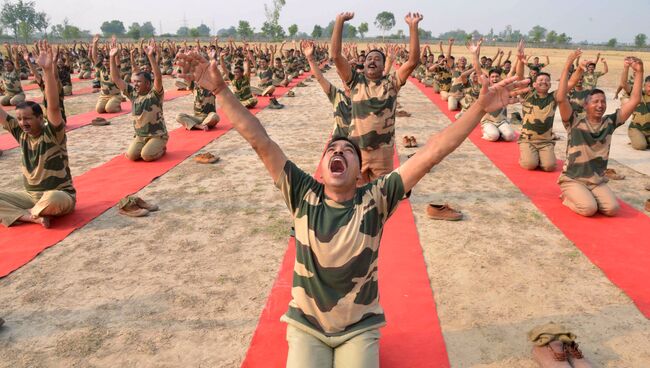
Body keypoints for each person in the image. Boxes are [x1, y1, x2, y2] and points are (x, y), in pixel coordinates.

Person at [176, 43, 528, 367]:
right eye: (333, 149)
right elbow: (258, 137)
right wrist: (221, 91)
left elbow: (434, 151)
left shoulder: (375, 199)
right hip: (307, 324)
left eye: (348, 151)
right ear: (324, 164)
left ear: (361, 172)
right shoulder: (303, 193)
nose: (339, 152)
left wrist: (480, 107)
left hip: (359, 326)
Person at [331, 12, 422, 184]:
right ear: (363, 65)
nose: (372, 61)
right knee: (355, 197)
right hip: (356, 151)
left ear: (383, 65)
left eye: (377, 59)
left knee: (381, 199)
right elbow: (335, 55)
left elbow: (413, 61)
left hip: (383, 154)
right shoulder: (355, 81)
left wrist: (413, 27)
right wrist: (339, 22)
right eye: (369, 59)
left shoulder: (392, 83)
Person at [556, 51, 644, 217]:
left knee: (612, 209)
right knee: (589, 209)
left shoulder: (609, 123)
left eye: (603, 102)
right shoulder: (574, 121)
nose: (600, 105)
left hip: (596, 180)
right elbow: (561, 98)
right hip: (573, 178)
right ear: (586, 105)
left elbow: (634, 101)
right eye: (595, 101)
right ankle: (567, 196)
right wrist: (568, 64)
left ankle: (584, 196)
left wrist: (639, 72)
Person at [0, 40, 75, 228]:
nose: (23, 123)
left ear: (41, 119)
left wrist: (48, 71)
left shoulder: (52, 133)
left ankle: (28, 214)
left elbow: (54, 106)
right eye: (19, 119)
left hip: (59, 195)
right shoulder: (21, 133)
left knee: (53, 198)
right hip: (30, 197)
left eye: (28, 119)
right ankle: (32, 217)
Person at [109, 38, 168, 162]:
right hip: (141, 136)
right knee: (131, 156)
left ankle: (162, 148)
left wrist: (150, 56)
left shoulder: (155, 94)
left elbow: (158, 77)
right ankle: (148, 147)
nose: (135, 84)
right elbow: (116, 79)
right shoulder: (133, 94)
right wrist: (112, 58)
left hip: (157, 135)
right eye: (133, 81)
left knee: (146, 156)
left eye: (138, 82)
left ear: (147, 83)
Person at [515, 41, 561, 171]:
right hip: (528, 140)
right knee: (529, 165)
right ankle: (527, 155)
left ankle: (541, 156)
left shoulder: (554, 97)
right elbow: (519, 77)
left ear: (550, 85)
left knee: (549, 167)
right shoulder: (527, 94)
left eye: (547, 81)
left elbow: (569, 85)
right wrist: (519, 60)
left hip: (546, 141)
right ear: (534, 84)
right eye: (540, 80)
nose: (544, 82)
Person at [303, 40, 351, 139]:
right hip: (339, 140)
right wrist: (310, 59)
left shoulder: (364, 97)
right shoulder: (337, 95)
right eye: (346, 80)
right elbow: (320, 78)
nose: (349, 83)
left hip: (357, 143)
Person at [618, 66, 650, 150]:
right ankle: (638, 139)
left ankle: (644, 140)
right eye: (649, 86)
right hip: (637, 128)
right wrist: (625, 67)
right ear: (644, 86)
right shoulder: (638, 95)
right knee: (641, 146)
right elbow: (624, 84)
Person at [91, 35, 122, 114]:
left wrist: (114, 45)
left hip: (115, 95)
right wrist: (94, 44)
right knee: (99, 110)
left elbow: (117, 58)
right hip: (104, 96)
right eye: (104, 62)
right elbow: (94, 57)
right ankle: (109, 104)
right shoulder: (102, 68)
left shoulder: (115, 68)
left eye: (107, 62)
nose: (105, 63)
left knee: (109, 109)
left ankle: (118, 106)